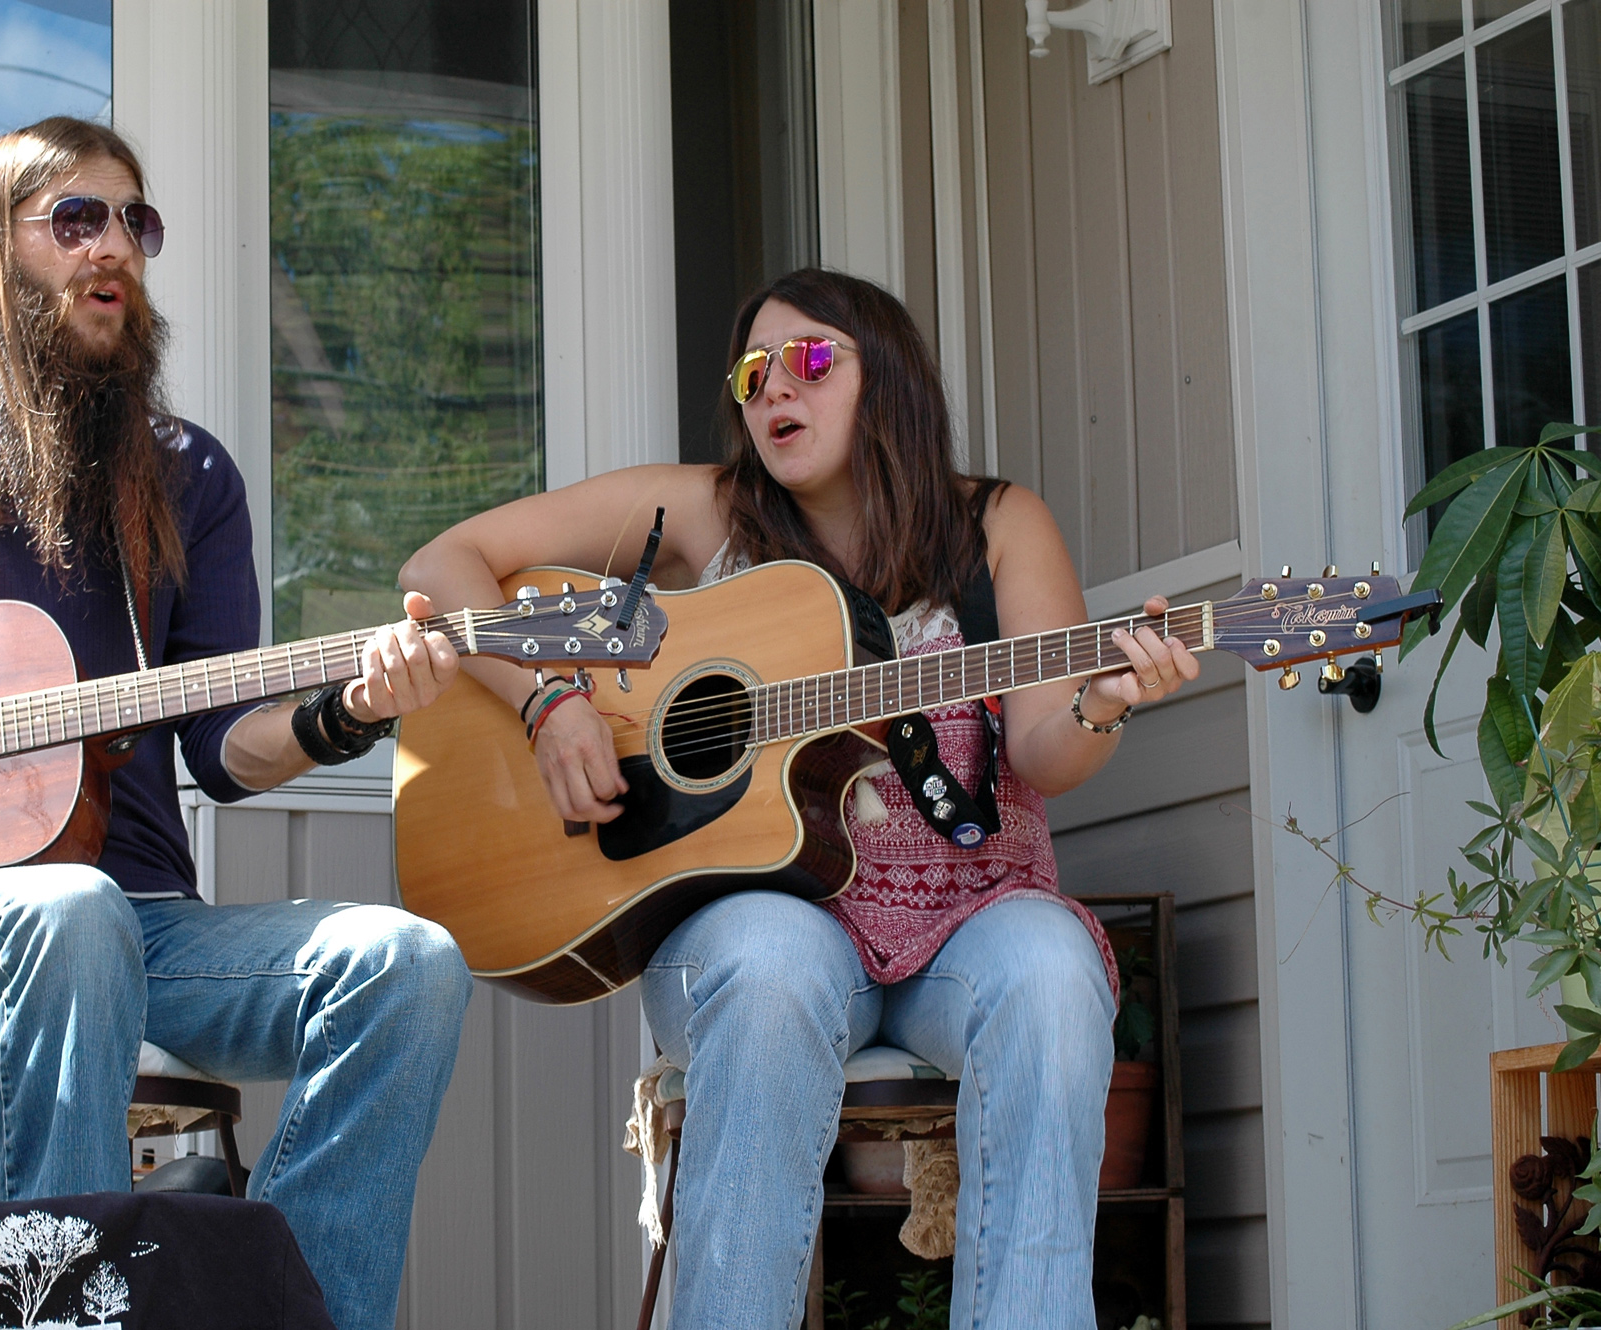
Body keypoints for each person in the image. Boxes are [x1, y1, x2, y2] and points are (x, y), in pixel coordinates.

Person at [0, 117, 470, 1330]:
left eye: (135, 220)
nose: (113, 246)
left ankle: (298, 1313)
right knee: (65, 917)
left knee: (406, 966)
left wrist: (347, 712)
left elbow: (226, 749)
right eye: (75, 219)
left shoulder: (186, 478)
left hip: (149, 925)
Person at [401, 267, 1199, 1329]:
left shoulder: (993, 528)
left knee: (1052, 970)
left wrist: (1100, 699)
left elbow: (1046, 752)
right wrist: (551, 702)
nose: (775, 387)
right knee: (774, 964)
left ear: (892, 378)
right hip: (769, 919)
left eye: (812, 359)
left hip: (968, 923)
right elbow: (446, 562)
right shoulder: (701, 510)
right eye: (750, 372)